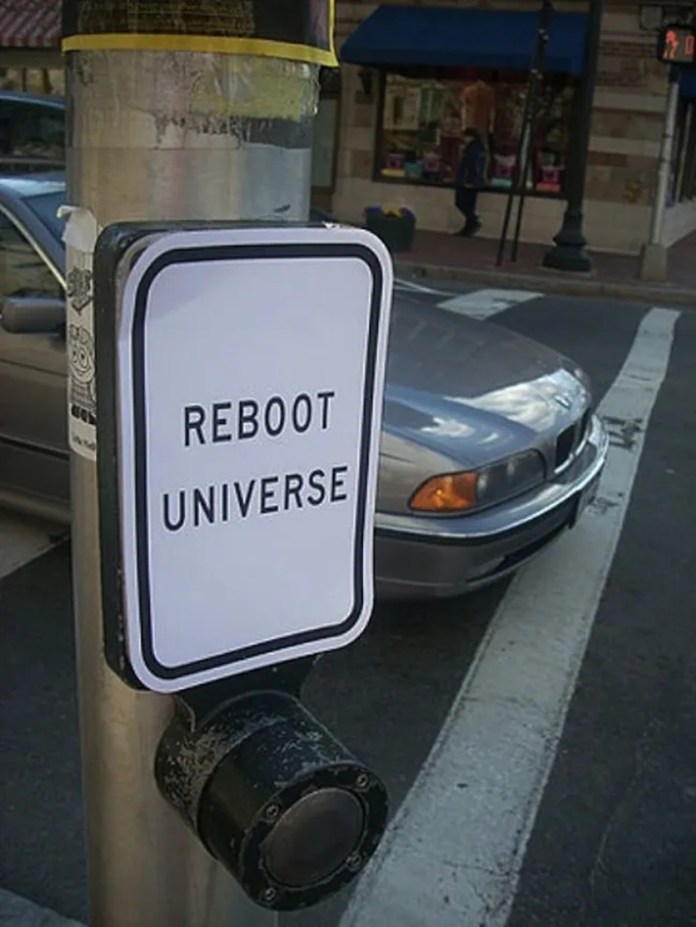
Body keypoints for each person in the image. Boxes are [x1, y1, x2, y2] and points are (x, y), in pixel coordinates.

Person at [454, 128, 488, 237]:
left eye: (465, 137)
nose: (464, 139)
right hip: (475, 181)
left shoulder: (472, 148)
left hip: (468, 181)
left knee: (460, 202)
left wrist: (468, 179)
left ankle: (473, 220)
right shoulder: (480, 148)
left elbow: (471, 165)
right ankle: (468, 227)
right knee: (469, 204)